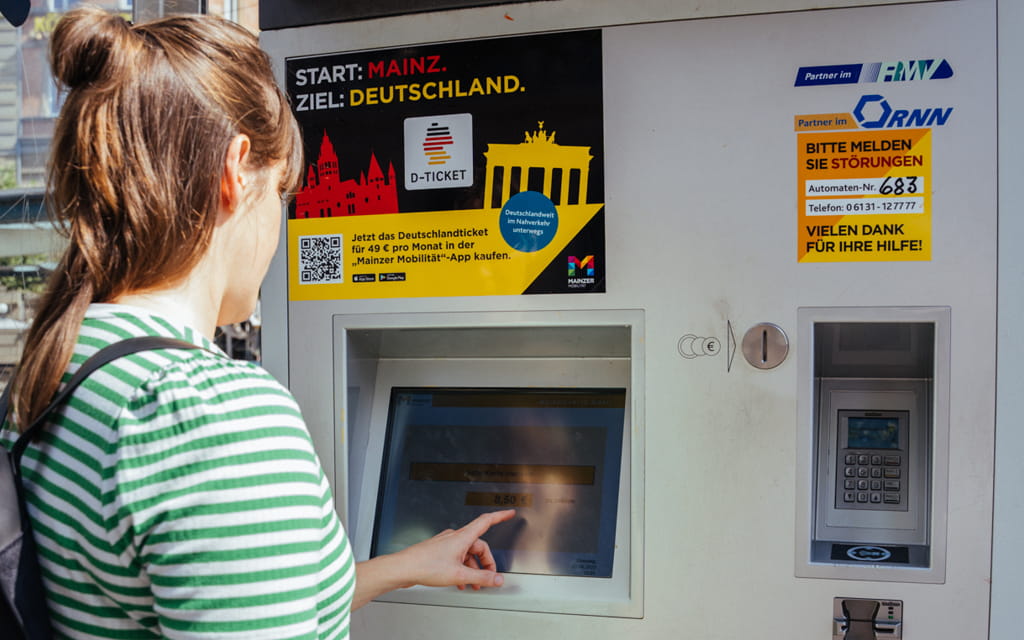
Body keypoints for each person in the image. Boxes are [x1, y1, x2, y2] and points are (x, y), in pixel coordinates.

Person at [0, 6, 514, 638]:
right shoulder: (212, 416)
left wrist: (402, 566)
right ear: (236, 172)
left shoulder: (55, 375)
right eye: (281, 192)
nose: (280, 225)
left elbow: (208, 595)